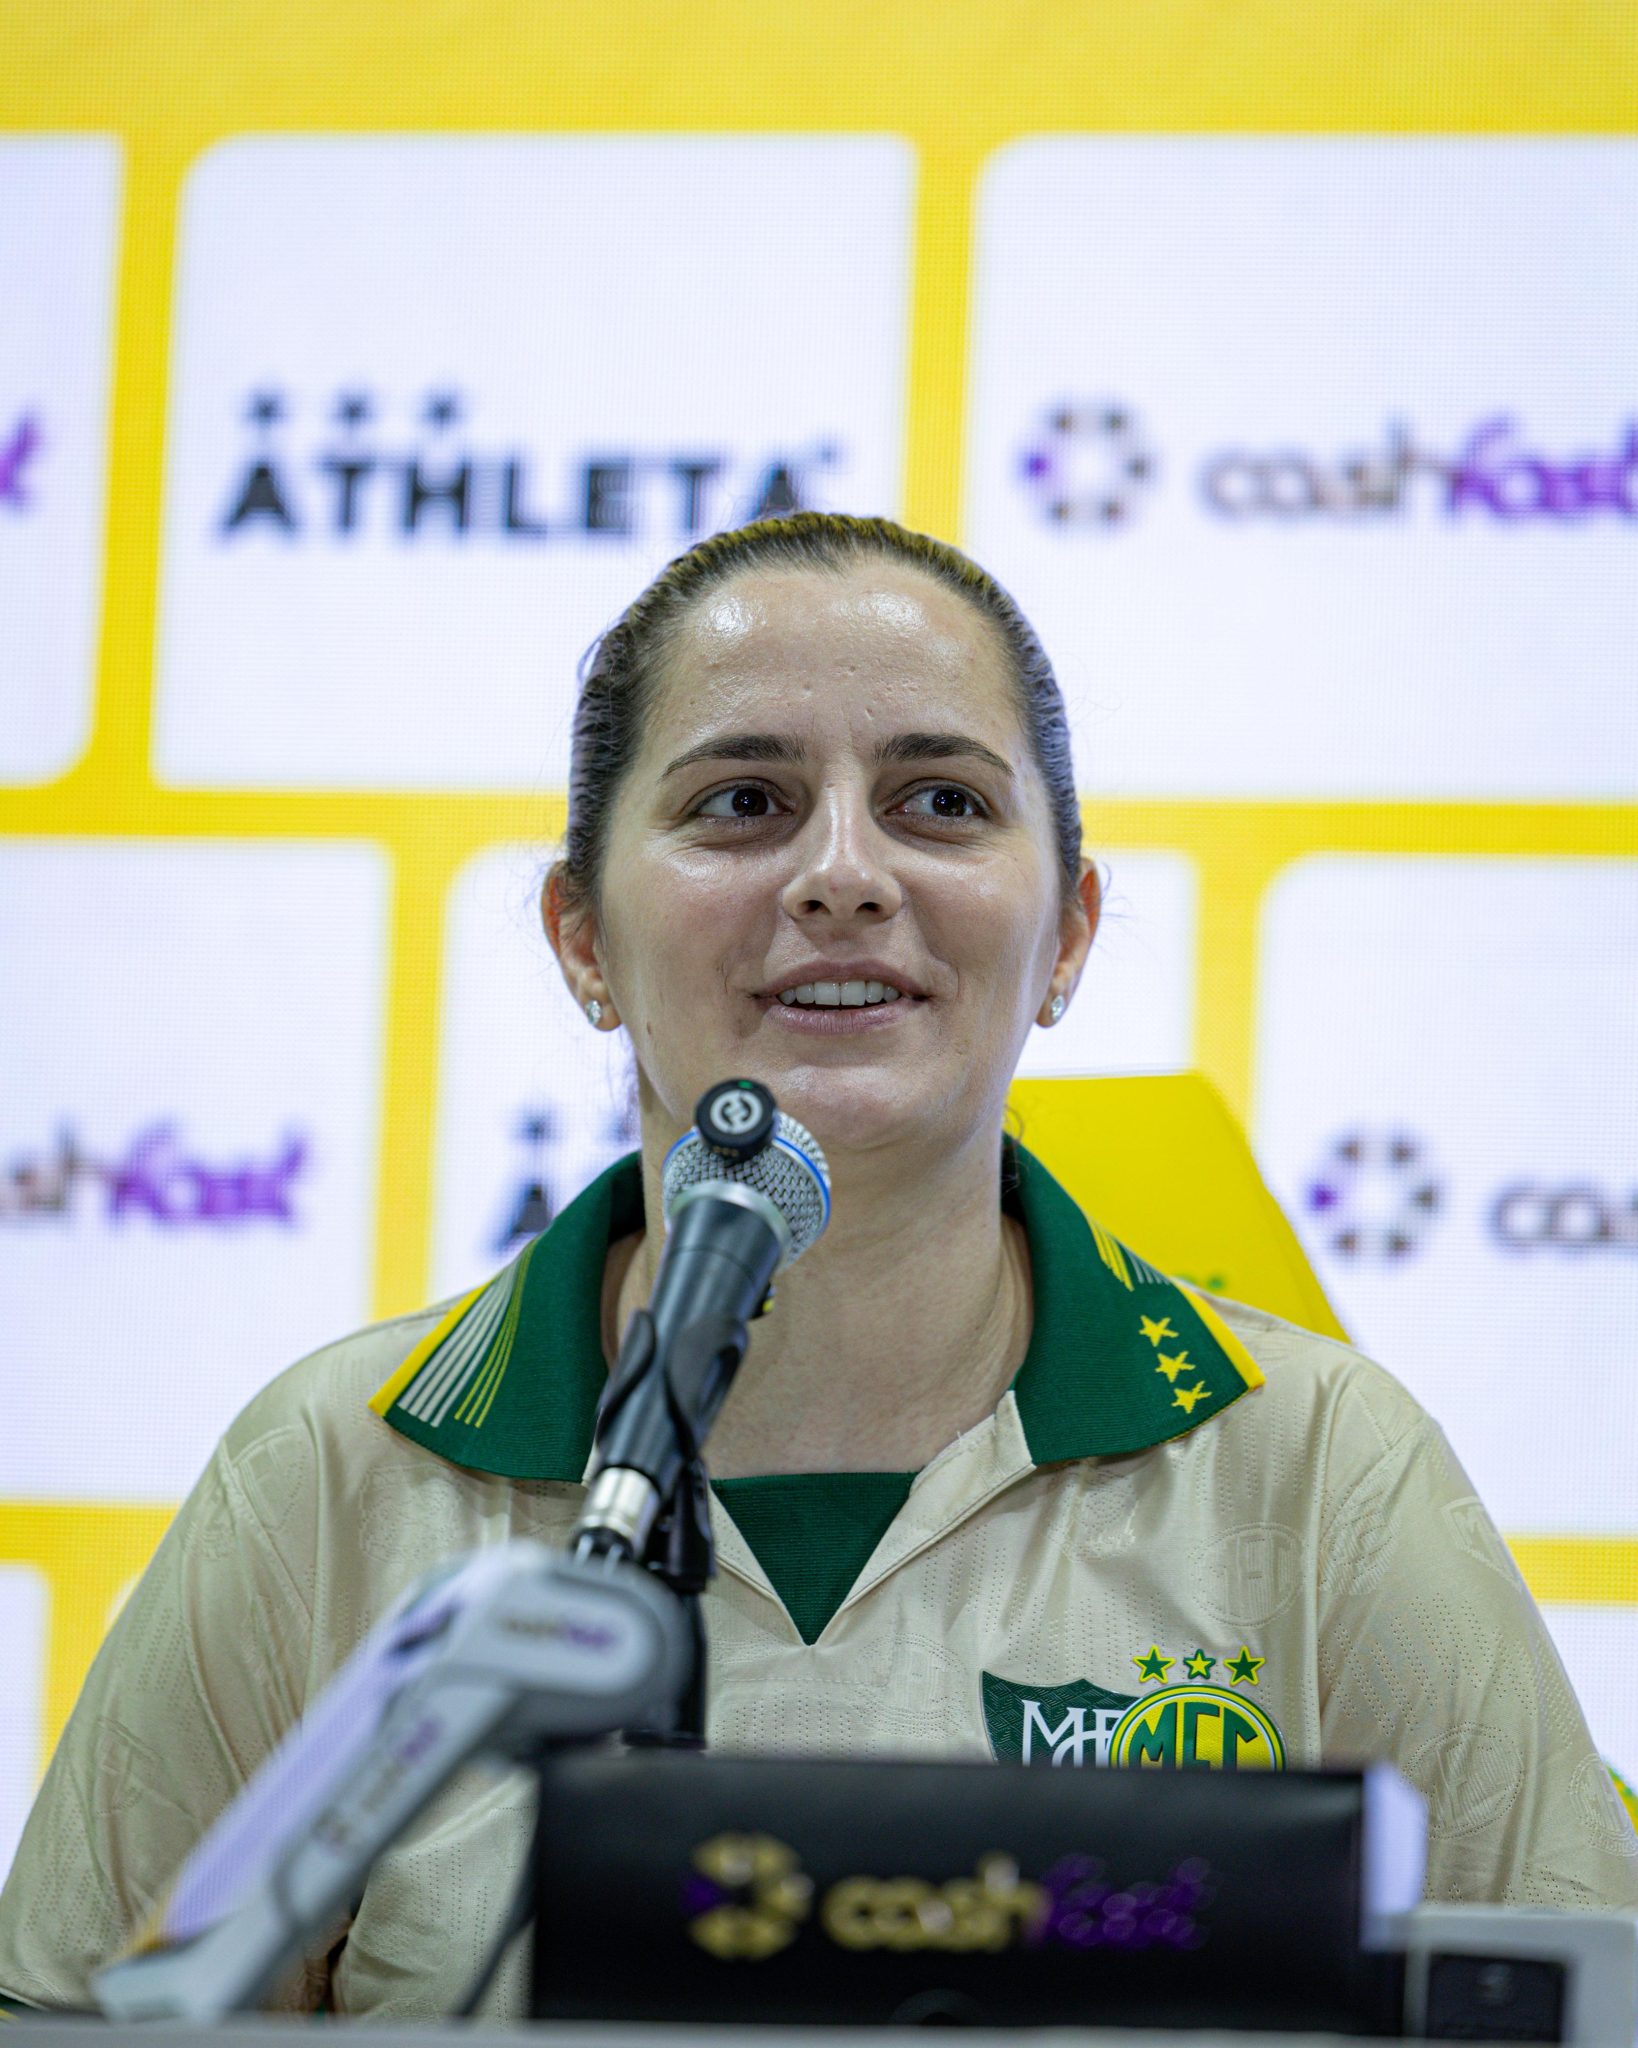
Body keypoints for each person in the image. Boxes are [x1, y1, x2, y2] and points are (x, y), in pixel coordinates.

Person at [1, 513, 1633, 2019]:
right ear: (581, 937)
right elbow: (80, 2027)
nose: (842, 873)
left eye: (939, 801)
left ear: (1064, 932)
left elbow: (1575, 2011)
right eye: (741, 803)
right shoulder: (328, 1474)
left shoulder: (1320, 1468)